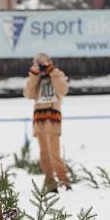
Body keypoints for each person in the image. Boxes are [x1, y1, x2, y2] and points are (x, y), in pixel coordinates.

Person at [23, 53, 70, 192]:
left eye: (44, 63)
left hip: (53, 118)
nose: (42, 66)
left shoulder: (57, 74)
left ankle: (63, 179)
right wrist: (34, 76)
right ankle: (50, 181)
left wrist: (52, 72)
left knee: (54, 152)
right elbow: (28, 94)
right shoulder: (36, 78)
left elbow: (63, 90)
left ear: (50, 62)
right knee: (44, 153)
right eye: (39, 63)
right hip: (39, 120)